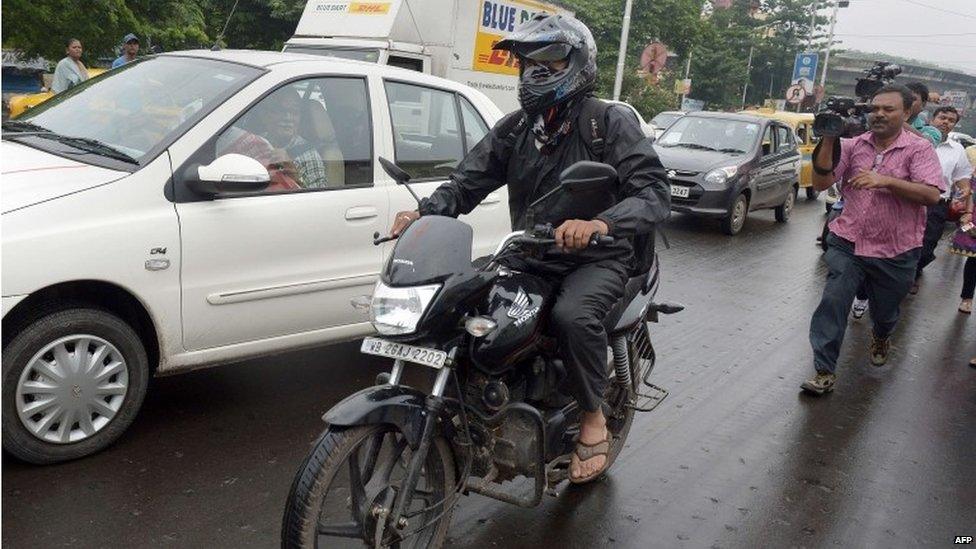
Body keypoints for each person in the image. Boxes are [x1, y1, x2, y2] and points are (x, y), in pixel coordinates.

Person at [388, 14, 669, 482]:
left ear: (576, 64)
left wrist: (600, 221)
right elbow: (467, 180)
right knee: (465, 304)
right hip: (532, 251)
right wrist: (427, 212)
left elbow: (654, 192)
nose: (536, 71)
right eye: (528, 62)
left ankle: (594, 418)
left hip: (598, 256)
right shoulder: (518, 128)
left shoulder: (608, 122)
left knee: (571, 317)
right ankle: (481, 404)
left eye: (549, 59)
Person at [802, 84, 943, 395]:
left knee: (885, 310)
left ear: (907, 113)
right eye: (874, 108)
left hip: (896, 249)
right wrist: (829, 138)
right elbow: (822, 181)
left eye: (888, 109)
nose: (878, 114)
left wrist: (886, 181)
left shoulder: (919, 149)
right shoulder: (853, 146)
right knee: (833, 302)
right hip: (848, 242)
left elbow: (932, 195)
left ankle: (882, 334)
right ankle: (824, 370)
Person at [914, 106, 974, 290]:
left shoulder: (957, 149)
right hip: (911, 199)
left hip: (937, 205)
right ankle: (902, 276)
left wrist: (964, 190)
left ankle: (914, 273)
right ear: (933, 119)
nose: (945, 122)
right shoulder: (917, 141)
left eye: (951, 120)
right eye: (942, 118)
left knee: (928, 244)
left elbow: (962, 176)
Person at [948, 169, 975, 314]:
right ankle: (967, 298)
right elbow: (969, 190)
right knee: (974, 260)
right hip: (972, 217)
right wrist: (968, 213)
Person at [905, 82, 941, 147]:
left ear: (923, 104)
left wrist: (898, 123)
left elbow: (925, 145)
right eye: (904, 98)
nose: (907, 102)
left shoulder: (932, 131)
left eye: (913, 99)